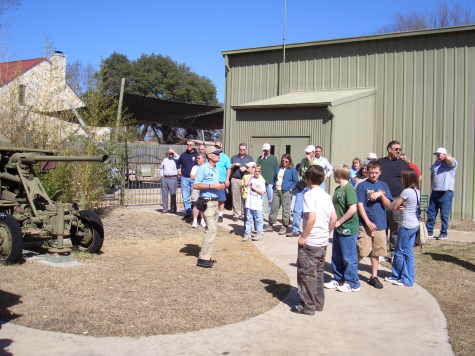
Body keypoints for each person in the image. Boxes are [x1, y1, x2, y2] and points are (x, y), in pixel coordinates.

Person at [292, 166, 337, 315]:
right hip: (323, 241)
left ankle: (308, 306)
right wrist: (326, 232)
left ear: (309, 179)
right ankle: (318, 303)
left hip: (311, 241)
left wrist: (303, 236)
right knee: (318, 273)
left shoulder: (309, 195)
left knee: (306, 274)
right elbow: (334, 218)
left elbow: (311, 217)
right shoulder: (326, 195)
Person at [356, 161, 393, 289]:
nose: (373, 175)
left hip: (381, 224)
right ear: (367, 171)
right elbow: (360, 205)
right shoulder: (362, 186)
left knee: (376, 252)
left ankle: (374, 276)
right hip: (365, 224)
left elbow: (388, 205)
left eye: (376, 173)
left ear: (380, 172)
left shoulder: (383, 186)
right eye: (371, 172)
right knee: (362, 250)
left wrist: (381, 195)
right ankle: (349, 272)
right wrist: (367, 222)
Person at [325, 166, 360, 293]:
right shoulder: (338, 189)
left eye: (335, 174)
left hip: (348, 228)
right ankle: (338, 279)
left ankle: (353, 283)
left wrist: (340, 221)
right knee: (337, 255)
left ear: (339, 175)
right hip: (338, 228)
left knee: (348, 256)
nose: (333, 177)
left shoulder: (349, 188)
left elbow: (353, 209)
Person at [385, 168, 420, 287]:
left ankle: (397, 276)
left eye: (402, 177)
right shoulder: (416, 191)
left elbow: (393, 206)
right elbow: (410, 206)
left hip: (406, 225)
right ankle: (409, 279)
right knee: (408, 253)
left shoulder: (406, 191)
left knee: (399, 252)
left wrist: (384, 199)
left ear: (407, 178)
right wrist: (402, 206)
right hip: (414, 224)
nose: (400, 180)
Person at [193, 147, 226, 268]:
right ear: (210, 155)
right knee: (212, 230)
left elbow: (216, 185)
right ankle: (203, 258)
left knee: (210, 230)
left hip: (215, 202)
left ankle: (207, 255)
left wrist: (221, 186)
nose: (219, 156)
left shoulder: (216, 169)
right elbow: (196, 185)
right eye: (217, 154)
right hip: (207, 203)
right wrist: (213, 186)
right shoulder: (203, 168)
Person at [377, 140, 409, 251]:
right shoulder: (380, 162)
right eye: (396, 149)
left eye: (400, 150)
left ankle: (394, 252)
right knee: (382, 227)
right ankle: (381, 251)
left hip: (397, 200)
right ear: (389, 149)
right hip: (382, 200)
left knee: (396, 228)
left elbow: (412, 178)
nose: (399, 151)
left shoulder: (403, 164)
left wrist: (405, 200)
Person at [426, 147, 458, 240]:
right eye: (437, 154)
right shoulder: (435, 164)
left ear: (445, 155)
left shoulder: (451, 164)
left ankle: (443, 234)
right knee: (431, 213)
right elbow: (432, 176)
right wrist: (431, 188)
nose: (438, 156)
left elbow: (451, 161)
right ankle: (429, 232)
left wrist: (446, 157)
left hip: (446, 192)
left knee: (444, 215)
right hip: (435, 192)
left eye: (440, 154)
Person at [288, 145, 319, 237]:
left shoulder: (317, 162)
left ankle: (310, 229)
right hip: (302, 187)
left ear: (313, 153)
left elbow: (315, 173)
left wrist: (310, 162)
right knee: (297, 209)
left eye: (309, 153)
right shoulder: (302, 161)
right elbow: (300, 173)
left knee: (310, 209)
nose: (307, 155)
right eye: (306, 153)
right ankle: (295, 230)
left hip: (311, 188)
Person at [268, 154, 298, 235]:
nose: (284, 162)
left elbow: (296, 181)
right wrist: (274, 185)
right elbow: (274, 178)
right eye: (283, 161)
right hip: (276, 190)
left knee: (286, 209)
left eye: (286, 161)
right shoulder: (278, 168)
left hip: (286, 191)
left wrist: (291, 188)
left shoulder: (292, 170)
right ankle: (270, 224)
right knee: (274, 208)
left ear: (289, 161)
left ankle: (284, 226)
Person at [243, 164, 266, 241]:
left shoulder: (261, 180)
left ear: (260, 172)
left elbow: (263, 192)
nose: (257, 172)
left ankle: (259, 234)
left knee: (258, 219)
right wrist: (250, 178)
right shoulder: (251, 178)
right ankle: (247, 234)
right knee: (248, 219)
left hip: (257, 203)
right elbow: (246, 185)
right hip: (249, 202)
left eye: (258, 171)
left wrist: (254, 188)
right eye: (255, 171)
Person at [230, 143, 253, 221]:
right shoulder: (234, 157)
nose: (242, 150)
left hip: (245, 179)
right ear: (239, 149)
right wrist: (234, 165)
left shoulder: (249, 158)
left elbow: (253, 169)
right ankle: (236, 214)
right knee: (235, 197)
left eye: (243, 149)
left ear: (246, 150)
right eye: (240, 149)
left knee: (244, 197)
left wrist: (245, 169)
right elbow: (229, 167)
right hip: (235, 179)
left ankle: (243, 214)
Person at [177, 140, 198, 220]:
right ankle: (188, 212)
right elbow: (178, 163)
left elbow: (201, 165)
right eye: (187, 144)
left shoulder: (197, 155)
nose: (189, 146)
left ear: (193, 145)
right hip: (184, 178)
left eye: (190, 145)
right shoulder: (183, 155)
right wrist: (178, 169)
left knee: (194, 197)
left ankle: (194, 212)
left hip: (194, 179)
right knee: (185, 196)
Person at [257, 143, 279, 216]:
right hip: (262, 182)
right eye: (264, 150)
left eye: (267, 150)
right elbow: (257, 168)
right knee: (262, 199)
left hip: (270, 183)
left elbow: (276, 170)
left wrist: (276, 181)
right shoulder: (260, 158)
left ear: (270, 150)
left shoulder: (274, 158)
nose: (265, 151)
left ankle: (270, 215)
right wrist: (261, 158)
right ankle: (262, 214)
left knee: (271, 200)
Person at [214, 141, 232, 223]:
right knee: (212, 199)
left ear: (221, 148)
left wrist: (227, 179)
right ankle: (213, 214)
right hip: (212, 182)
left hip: (221, 182)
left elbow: (229, 168)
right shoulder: (211, 156)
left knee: (221, 199)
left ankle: (220, 215)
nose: (217, 148)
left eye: (218, 146)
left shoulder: (225, 157)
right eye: (215, 146)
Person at [190, 153, 207, 229]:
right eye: (197, 158)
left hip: (204, 188)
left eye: (199, 158)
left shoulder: (207, 167)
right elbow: (192, 176)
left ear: (203, 159)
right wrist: (201, 176)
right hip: (196, 188)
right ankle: (195, 221)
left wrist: (198, 176)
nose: (197, 159)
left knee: (203, 205)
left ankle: (203, 220)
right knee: (195, 204)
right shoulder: (194, 167)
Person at [160, 148, 179, 213]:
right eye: (169, 153)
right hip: (165, 178)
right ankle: (165, 209)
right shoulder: (164, 160)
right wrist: (162, 176)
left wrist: (174, 151)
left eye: (172, 153)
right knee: (164, 194)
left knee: (173, 194)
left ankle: (173, 209)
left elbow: (178, 157)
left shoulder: (176, 160)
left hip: (173, 178)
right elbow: (161, 168)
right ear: (167, 154)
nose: (170, 154)